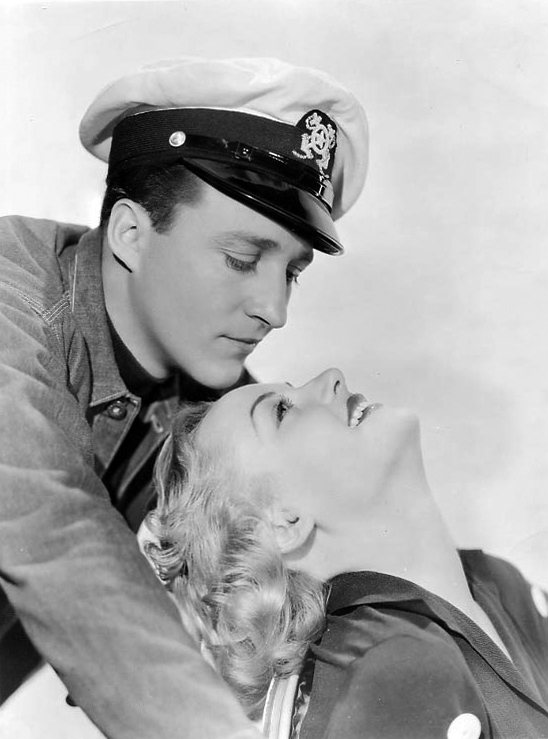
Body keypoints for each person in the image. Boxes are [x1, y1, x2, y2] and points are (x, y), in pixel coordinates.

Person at [0, 57, 368, 738]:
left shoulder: (214, 396)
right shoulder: (10, 302)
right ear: (131, 234)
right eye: (242, 259)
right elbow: (54, 533)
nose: (275, 310)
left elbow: (327, 539)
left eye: (291, 272)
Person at [143, 368, 548, 739]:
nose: (332, 376)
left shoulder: (498, 583)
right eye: (281, 411)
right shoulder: (394, 670)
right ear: (285, 523)